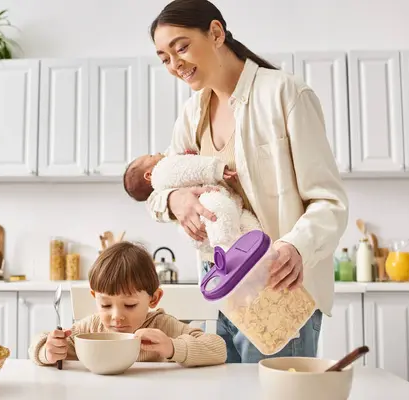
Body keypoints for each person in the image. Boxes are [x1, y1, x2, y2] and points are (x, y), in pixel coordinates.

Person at [146, 0, 349, 363]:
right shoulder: (192, 113)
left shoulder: (285, 94)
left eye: (181, 48)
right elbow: (161, 184)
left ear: (216, 33)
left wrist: (296, 248)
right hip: (220, 286)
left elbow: (329, 202)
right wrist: (176, 201)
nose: (175, 65)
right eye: (164, 58)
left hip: (279, 284)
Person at [28, 241, 227, 367]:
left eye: (130, 305)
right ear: (94, 297)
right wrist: (48, 351)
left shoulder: (163, 326)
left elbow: (218, 349)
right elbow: (38, 344)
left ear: (153, 299)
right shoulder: (91, 328)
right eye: (105, 305)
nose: (116, 316)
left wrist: (172, 347)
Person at [122, 151, 261, 255]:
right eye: (151, 156)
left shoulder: (166, 168)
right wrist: (216, 169)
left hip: (210, 228)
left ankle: (255, 250)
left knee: (245, 231)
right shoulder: (161, 170)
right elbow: (188, 167)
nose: (158, 153)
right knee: (226, 227)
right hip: (211, 202)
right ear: (148, 175)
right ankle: (243, 249)